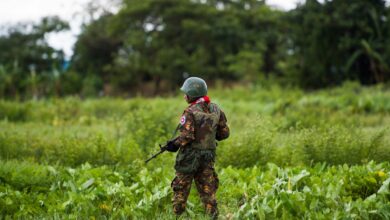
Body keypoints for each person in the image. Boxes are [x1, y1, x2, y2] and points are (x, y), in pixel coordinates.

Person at [166, 77, 230, 219]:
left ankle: (178, 216)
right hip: (207, 157)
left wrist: (173, 145)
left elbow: (186, 137)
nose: (184, 96)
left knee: (180, 190)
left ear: (191, 95)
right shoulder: (216, 109)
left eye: (186, 93)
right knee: (208, 192)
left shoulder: (190, 111)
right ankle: (213, 217)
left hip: (189, 158)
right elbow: (224, 133)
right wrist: (210, 135)